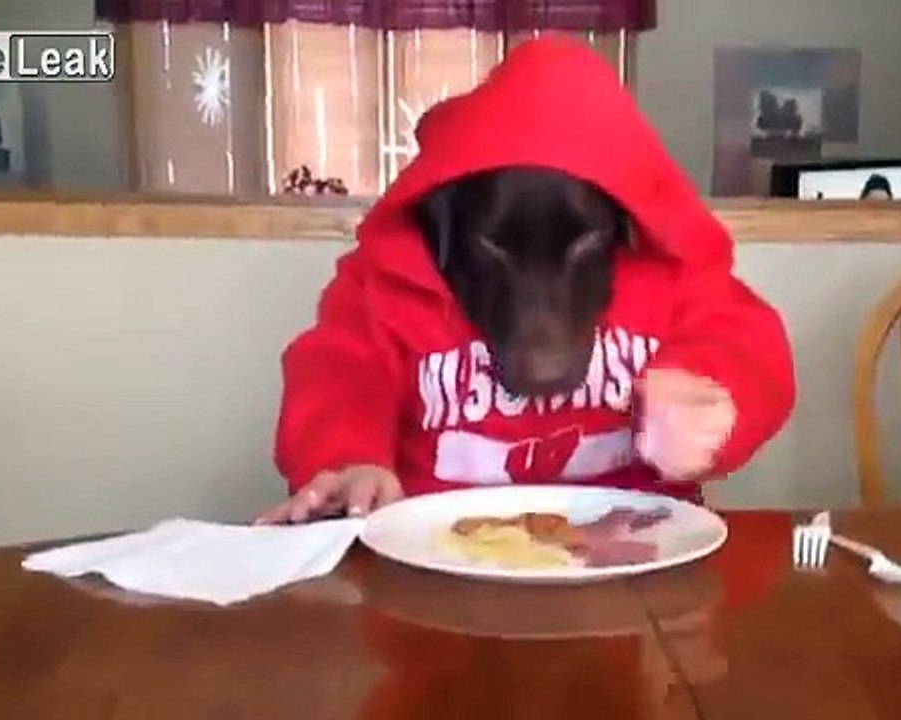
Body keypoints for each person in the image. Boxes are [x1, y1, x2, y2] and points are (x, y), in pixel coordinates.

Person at [256, 37, 796, 523]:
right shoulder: (390, 284)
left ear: (626, 223)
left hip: (634, 563)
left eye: (583, 243)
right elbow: (339, 371)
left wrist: (712, 403)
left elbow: (748, 344)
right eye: (494, 247)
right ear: (443, 227)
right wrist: (349, 461)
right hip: (438, 567)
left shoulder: (664, 275)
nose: (544, 359)